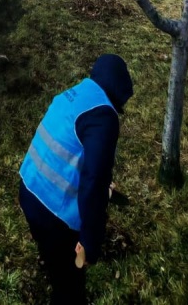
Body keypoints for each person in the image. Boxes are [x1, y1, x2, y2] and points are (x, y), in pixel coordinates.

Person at [19, 53, 134, 305]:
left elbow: (70, 150)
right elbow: (94, 180)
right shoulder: (104, 117)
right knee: (70, 287)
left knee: (53, 259)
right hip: (52, 215)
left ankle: (53, 265)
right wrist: (90, 242)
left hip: (28, 188)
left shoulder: (73, 94)